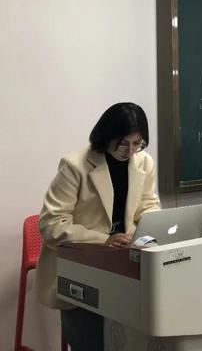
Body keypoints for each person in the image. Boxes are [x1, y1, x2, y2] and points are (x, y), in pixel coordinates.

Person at [36, 102, 161, 351]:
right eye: (123, 143)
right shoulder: (75, 166)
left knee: (127, 340)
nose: (130, 151)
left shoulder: (144, 162)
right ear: (106, 136)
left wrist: (148, 232)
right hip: (81, 264)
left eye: (137, 143)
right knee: (89, 340)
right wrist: (103, 240)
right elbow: (51, 224)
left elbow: (148, 206)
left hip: (122, 264)